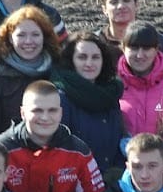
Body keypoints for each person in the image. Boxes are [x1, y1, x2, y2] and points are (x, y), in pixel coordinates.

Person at [54, 31, 127, 181]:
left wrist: (116, 176)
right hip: (75, 183)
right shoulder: (61, 98)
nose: (89, 63)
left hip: (111, 183)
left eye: (95, 57)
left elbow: (118, 143)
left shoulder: (110, 96)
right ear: (71, 60)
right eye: (82, 57)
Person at [0, 4, 60, 136]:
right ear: (10, 38)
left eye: (35, 35)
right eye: (21, 35)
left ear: (44, 37)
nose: (28, 41)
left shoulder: (58, 74)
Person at [117, 20, 163, 164]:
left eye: (146, 48)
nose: (140, 55)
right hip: (125, 166)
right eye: (133, 48)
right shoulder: (113, 85)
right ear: (123, 48)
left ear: (156, 49)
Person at [95, 0, 163, 66]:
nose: (121, 6)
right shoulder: (94, 43)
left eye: (126, 0)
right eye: (114, 2)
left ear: (136, 4)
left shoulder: (159, 41)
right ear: (104, 9)